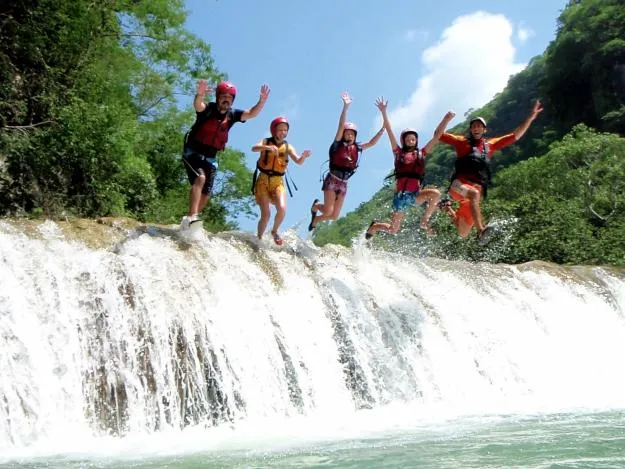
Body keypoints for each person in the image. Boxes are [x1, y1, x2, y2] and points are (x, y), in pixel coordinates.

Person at [438, 100, 543, 241]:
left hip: (472, 193)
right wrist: (446, 119)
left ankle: (447, 208)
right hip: (458, 186)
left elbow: (515, 136)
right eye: (473, 126)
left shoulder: (490, 144)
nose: (476, 128)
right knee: (474, 193)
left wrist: (530, 118)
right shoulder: (462, 141)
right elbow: (438, 134)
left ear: (484, 130)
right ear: (470, 130)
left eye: (479, 126)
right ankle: (481, 230)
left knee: (463, 232)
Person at [181, 79, 270, 229]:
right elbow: (198, 105)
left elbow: (251, 113)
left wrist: (261, 101)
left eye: (229, 98)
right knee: (200, 178)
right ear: (217, 97)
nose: (226, 100)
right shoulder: (208, 109)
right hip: (193, 153)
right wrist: (200, 94)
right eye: (223, 96)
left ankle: (189, 223)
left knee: (206, 194)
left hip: (210, 158)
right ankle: (191, 216)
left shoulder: (232, 115)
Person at [365, 98, 455, 239]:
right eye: (408, 140)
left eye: (413, 139)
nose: (410, 141)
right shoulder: (398, 152)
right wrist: (383, 112)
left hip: (415, 195)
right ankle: (375, 226)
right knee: (394, 230)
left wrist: (446, 119)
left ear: (416, 141)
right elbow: (389, 130)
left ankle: (424, 221)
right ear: (403, 141)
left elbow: (437, 137)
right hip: (401, 197)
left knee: (436, 194)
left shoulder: (421, 153)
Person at [308, 92, 385, 231]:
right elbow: (340, 126)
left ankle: (316, 220)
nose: (349, 135)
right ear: (343, 135)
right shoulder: (337, 145)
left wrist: (383, 129)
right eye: (347, 133)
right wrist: (346, 107)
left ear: (355, 136)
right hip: (332, 180)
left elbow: (372, 143)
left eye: (352, 134)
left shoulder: (358, 148)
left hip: (344, 184)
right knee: (328, 210)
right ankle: (316, 206)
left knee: (334, 216)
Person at [252, 116, 312, 245]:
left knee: (282, 208)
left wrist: (304, 156)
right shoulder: (266, 141)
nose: (283, 132)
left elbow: (298, 161)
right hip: (263, 181)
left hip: (278, 181)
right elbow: (254, 148)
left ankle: (274, 231)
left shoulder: (288, 147)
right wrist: (267, 148)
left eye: (285, 130)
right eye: (280, 130)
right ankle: (259, 238)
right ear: (274, 130)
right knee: (266, 215)